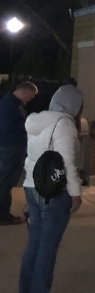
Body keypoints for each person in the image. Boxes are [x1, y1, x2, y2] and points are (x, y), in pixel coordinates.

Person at [19, 85, 84, 293]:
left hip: (32, 187)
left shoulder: (36, 121)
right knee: (48, 247)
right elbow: (66, 162)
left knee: (35, 244)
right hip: (54, 192)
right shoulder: (64, 124)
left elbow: (31, 158)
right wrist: (76, 193)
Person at [0, 81, 38, 225]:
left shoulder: (9, 104)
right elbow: (12, 128)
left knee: (5, 180)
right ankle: (3, 214)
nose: (31, 99)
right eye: (31, 96)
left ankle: (3, 212)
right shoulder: (11, 106)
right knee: (6, 181)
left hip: (8, 147)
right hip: (11, 148)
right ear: (24, 92)